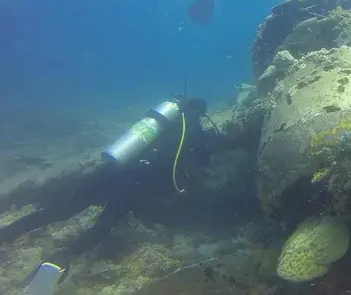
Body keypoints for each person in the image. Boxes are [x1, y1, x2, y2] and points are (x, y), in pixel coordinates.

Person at [0, 97, 212, 283]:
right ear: (199, 112)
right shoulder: (191, 125)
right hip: (134, 184)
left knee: (62, 210)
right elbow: (200, 160)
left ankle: (7, 233)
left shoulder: (158, 122)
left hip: (110, 170)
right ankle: (58, 261)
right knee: (101, 227)